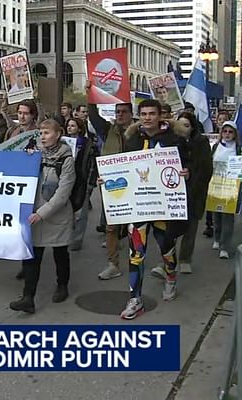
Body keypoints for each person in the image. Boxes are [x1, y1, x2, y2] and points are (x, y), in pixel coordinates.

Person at [119, 99, 191, 319]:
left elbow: (189, 165)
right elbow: (122, 167)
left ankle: (170, 278)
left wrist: (186, 174)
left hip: (164, 208)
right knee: (135, 253)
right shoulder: (131, 139)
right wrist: (109, 179)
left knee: (166, 248)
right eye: (143, 113)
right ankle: (135, 300)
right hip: (138, 207)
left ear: (160, 115)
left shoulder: (176, 140)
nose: (147, 117)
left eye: (152, 113)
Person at [9, 119, 76, 313]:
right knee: (32, 257)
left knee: (60, 254)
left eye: (47, 133)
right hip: (34, 215)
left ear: (58, 134)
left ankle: (62, 285)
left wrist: (42, 213)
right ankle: (28, 298)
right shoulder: (34, 154)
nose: (42, 136)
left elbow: (63, 193)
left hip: (56, 215)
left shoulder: (66, 159)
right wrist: (27, 158)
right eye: (40, 133)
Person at [85, 80, 140, 280]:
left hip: (136, 186)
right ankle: (113, 263)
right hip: (113, 186)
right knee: (111, 226)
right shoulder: (109, 131)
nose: (119, 115)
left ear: (131, 113)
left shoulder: (140, 133)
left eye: (124, 111)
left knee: (135, 227)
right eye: (117, 112)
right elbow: (93, 116)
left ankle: (137, 262)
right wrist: (90, 94)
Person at [151, 111, 212, 277]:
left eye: (186, 125)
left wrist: (190, 173)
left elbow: (206, 169)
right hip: (173, 193)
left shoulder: (200, 142)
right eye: (180, 124)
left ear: (192, 128)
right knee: (169, 230)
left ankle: (185, 259)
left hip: (193, 193)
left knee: (190, 228)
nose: (182, 128)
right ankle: (165, 261)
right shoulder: (171, 141)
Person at [210, 121, 242, 259]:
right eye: (225, 131)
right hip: (216, 185)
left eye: (230, 132)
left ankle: (225, 246)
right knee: (217, 214)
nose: (227, 134)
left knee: (228, 216)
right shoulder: (215, 147)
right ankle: (217, 238)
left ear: (235, 134)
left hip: (231, 186)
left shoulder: (239, 149)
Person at [65, 117, 99, 251]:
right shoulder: (63, 142)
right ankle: (66, 237)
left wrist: (90, 182)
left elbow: (92, 165)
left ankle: (76, 240)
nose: (69, 128)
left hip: (82, 180)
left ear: (79, 128)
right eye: (68, 125)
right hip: (67, 180)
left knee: (80, 212)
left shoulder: (87, 144)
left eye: (73, 126)